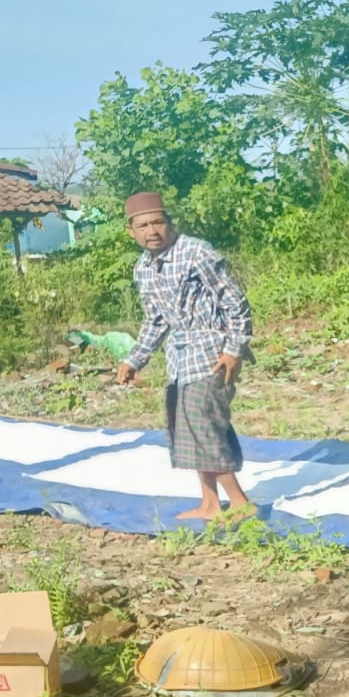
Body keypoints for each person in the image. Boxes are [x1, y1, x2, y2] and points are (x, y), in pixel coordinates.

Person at [116, 193, 255, 522]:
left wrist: (233, 351)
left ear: (169, 223)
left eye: (158, 222)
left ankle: (239, 502)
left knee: (203, 424)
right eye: (143, 225)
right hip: (179, 359)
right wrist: (134, 359)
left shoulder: (196, 252)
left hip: (212, 352)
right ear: (131, 231)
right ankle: (210, 504)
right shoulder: (143, 269)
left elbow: (235, 302)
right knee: (186, 430)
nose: (152, 231)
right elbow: (156, 320)